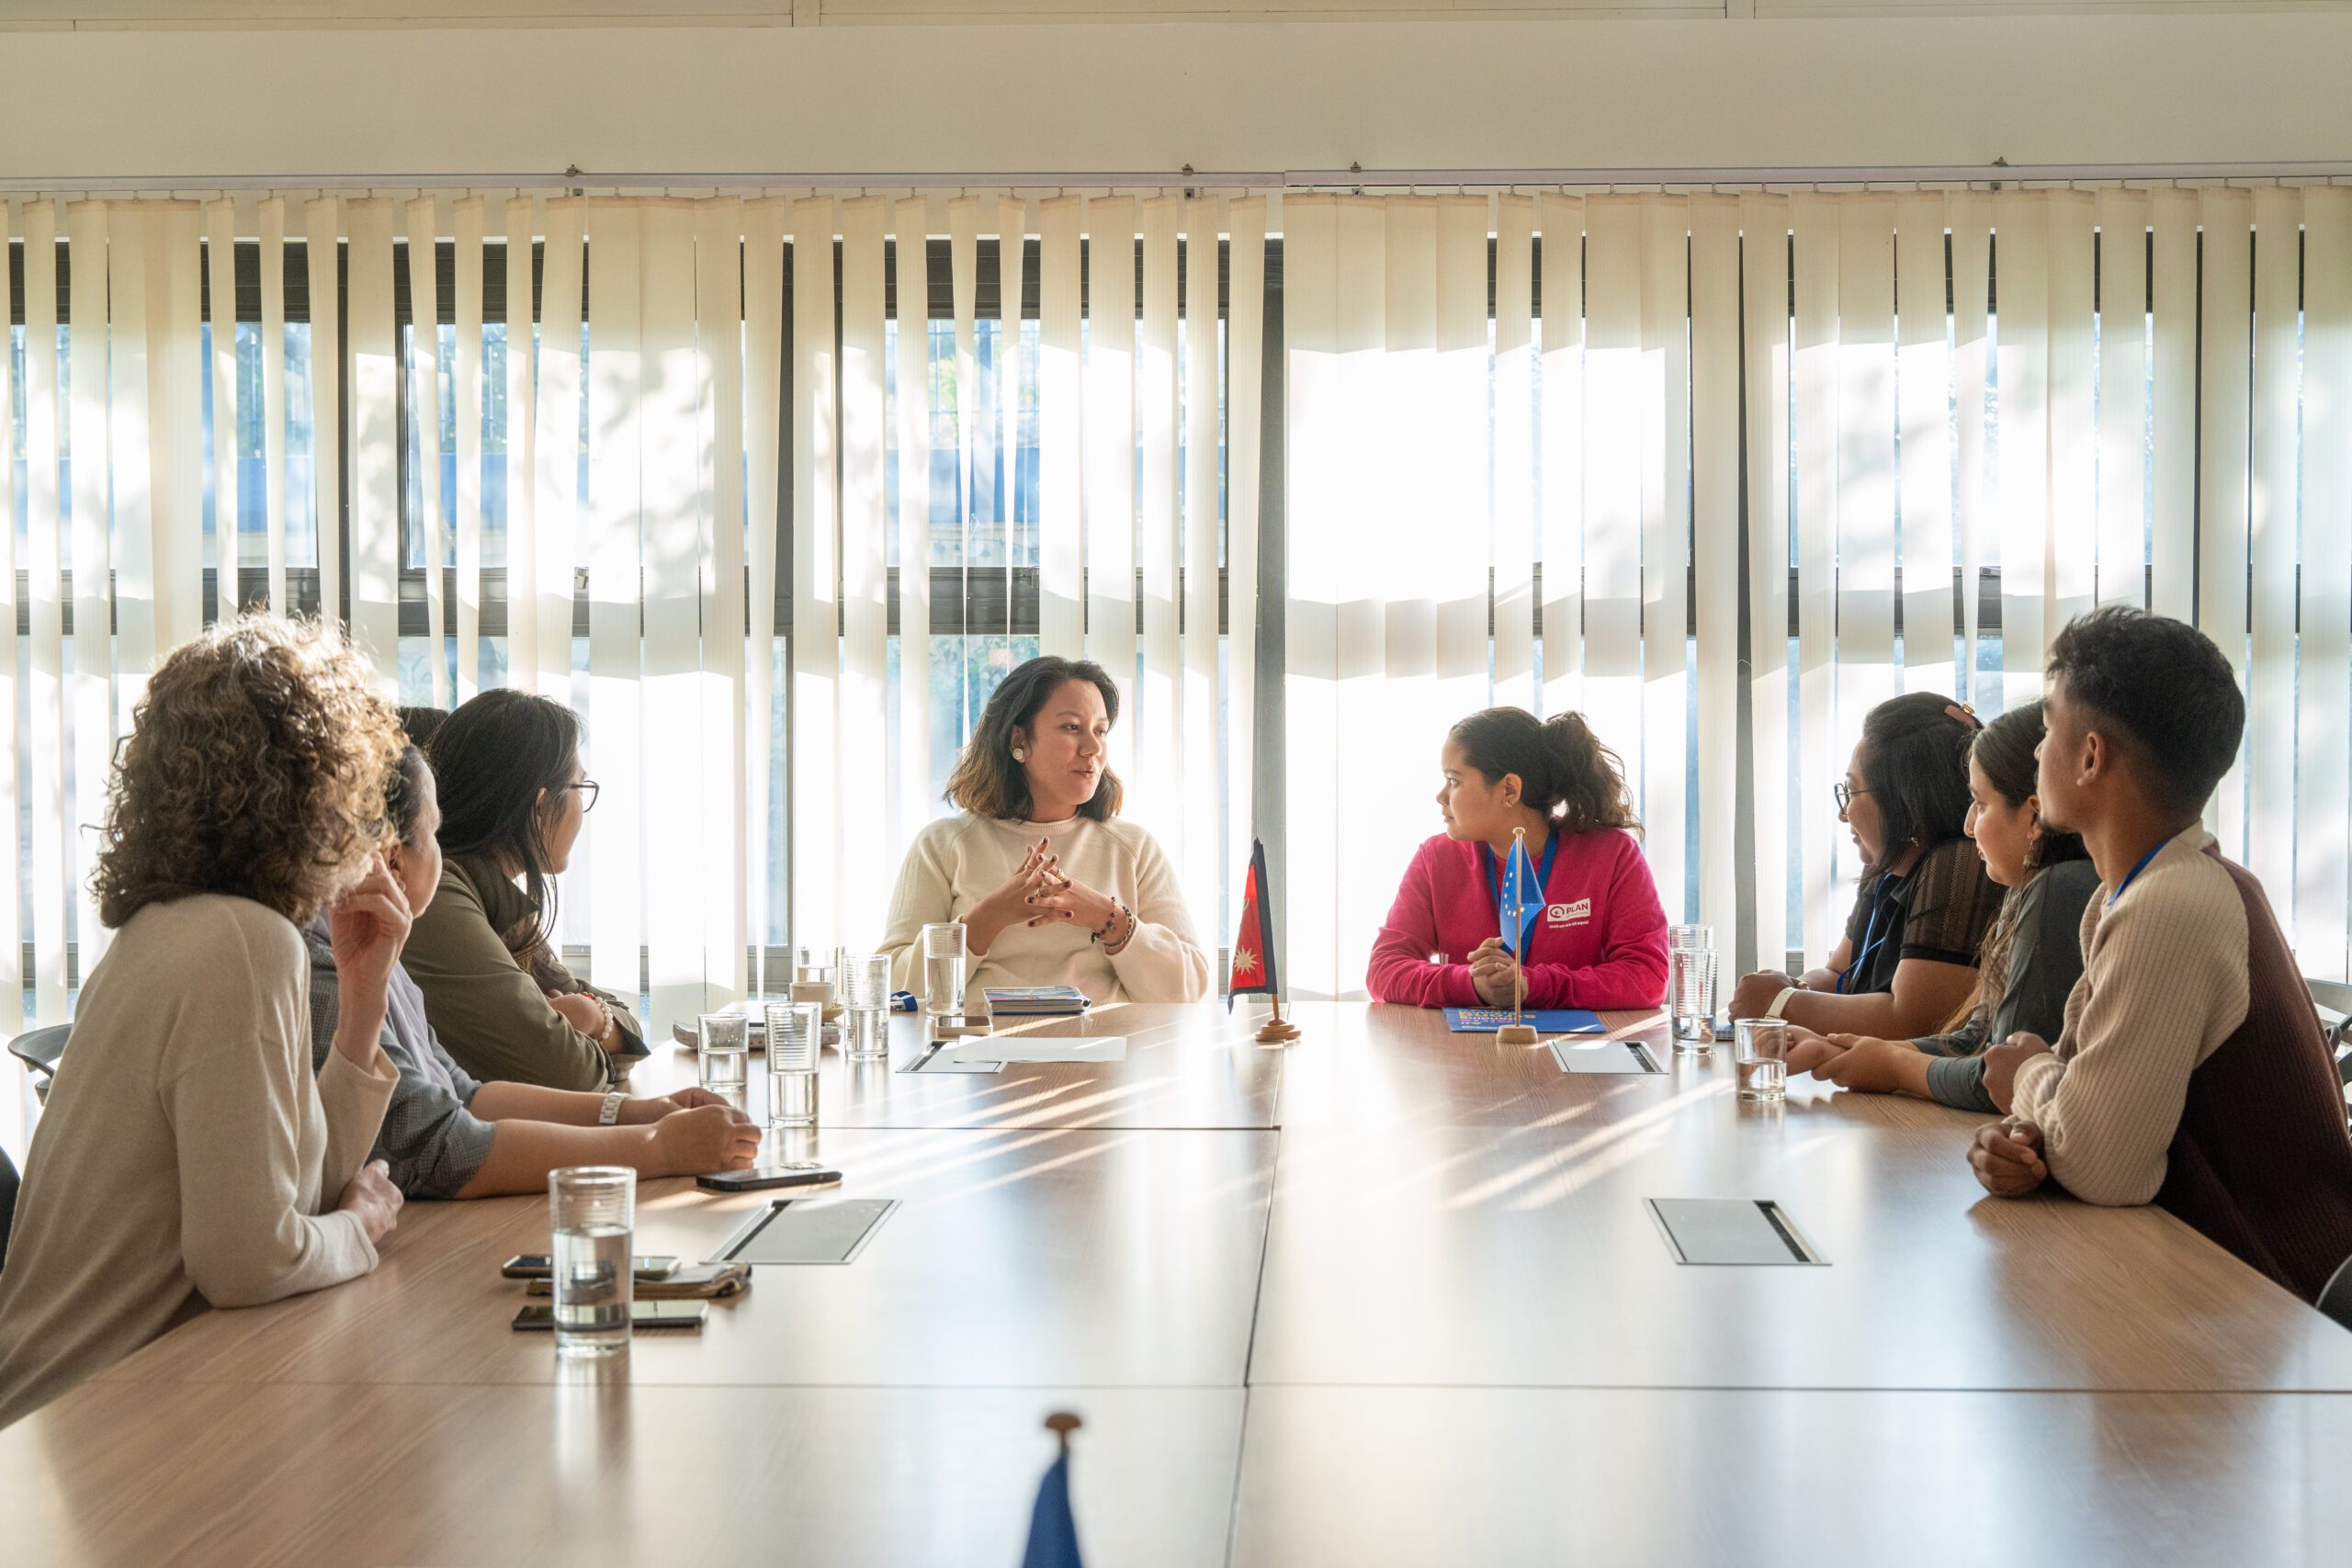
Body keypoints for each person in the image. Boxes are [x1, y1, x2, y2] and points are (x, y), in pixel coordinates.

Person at [0, 618, 409, 1427]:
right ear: (314, 783)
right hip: (93, 1418)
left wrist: (364, 1001)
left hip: (86, 1415)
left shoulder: (174, 930)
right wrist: (359, 1227)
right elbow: (249, 1260)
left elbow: (282, 1196)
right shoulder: (239, 943)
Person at [1965, 608, 2352, 1303]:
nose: (2033, 751)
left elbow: (2101, 1163)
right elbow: (2080, 1116)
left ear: (2090, 755)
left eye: (2048, 727)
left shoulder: (2171, 905)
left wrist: (2027, 1077)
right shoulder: (2143, 892)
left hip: (2275, 1312)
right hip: (2214, 1292)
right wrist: (2025, 1144)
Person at [307, 745, 763, 1199]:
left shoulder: (376, 953)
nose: (442, 854)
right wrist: (660, 1147)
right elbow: (442, 1148)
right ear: (392, 859)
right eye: (434, 834)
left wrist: (644, 1113)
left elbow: (466, 1095)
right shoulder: (326, 968)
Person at [1788, 701, 2098, 1111]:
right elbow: (1973, 1040)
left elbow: (2000, 1075)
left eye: (1981, 805)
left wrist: (1896, 1066)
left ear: (2033, 817)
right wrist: (1845, 1050)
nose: (1970, 826)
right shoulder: (2028, 888)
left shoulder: (2054, 889)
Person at [879, 655, 1212, 1009]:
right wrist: (986, 920)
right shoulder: (942, 845)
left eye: (1100, 730)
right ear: (1018, 739)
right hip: (973, 1057)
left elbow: (1187, 990)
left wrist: (1108, 918)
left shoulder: (1134, 848)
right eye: (1072, 727)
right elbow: (895, 990)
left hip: (1106, 1053)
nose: (1093, 748)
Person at [401, 689, 646, 1091]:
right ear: (540, 806)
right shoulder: (438, 898)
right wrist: (593, 1026)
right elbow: (569, 1072)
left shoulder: (499, 902)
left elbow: (629, 1028)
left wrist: (590, 1018)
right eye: (579, 790)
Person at [1727, 692, 2003, 1039]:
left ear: (1907, 804)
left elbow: (1912, 1022)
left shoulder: (1960, 864)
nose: (1843, 814)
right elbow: (1836, 974)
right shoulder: (1887, 868)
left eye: (1852, 791)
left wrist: (1782, 1003)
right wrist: (1792, 988)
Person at [1367, 707, 1667, 1010]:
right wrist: (1471, 983)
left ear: (1509, 789)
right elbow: (1383, 970)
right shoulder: (1435, 858)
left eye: (1454, 781)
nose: (1441, 796)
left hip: (1572, 1050)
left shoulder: (1612, 855)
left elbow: (1648, 977)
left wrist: (1530, 985)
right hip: (1462, 1053)